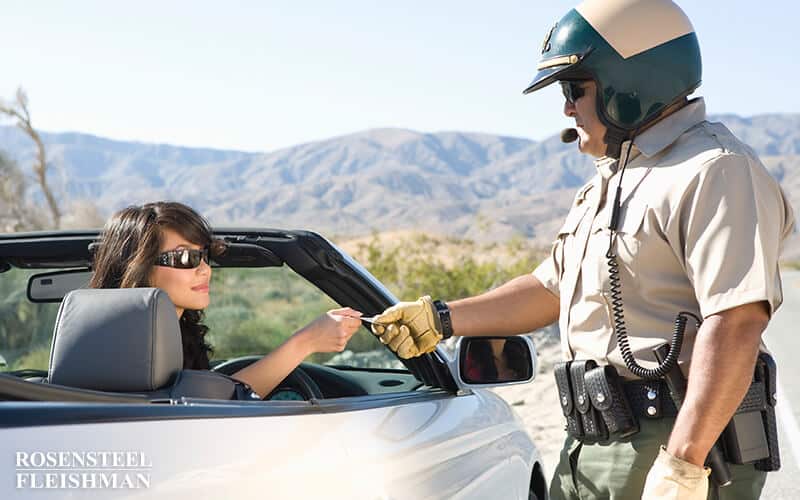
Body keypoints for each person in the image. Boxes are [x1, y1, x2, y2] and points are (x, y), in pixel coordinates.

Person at [370, 1, 794, 499]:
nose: (567, 109)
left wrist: (684, 464)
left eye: (575, 89)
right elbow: (549, 290)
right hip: (593, 441)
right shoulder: (612, 179)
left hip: (675, 442)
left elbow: (736, 322)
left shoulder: (714, 171)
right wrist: (439, 318)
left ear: (629, 81)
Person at [89, 201, 363, 397]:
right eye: (186, 257)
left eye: (204, 255)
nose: (205, 269)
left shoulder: (174, 338)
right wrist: (306, 341)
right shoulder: (127, 354)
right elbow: (205, 406)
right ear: (139, 267)